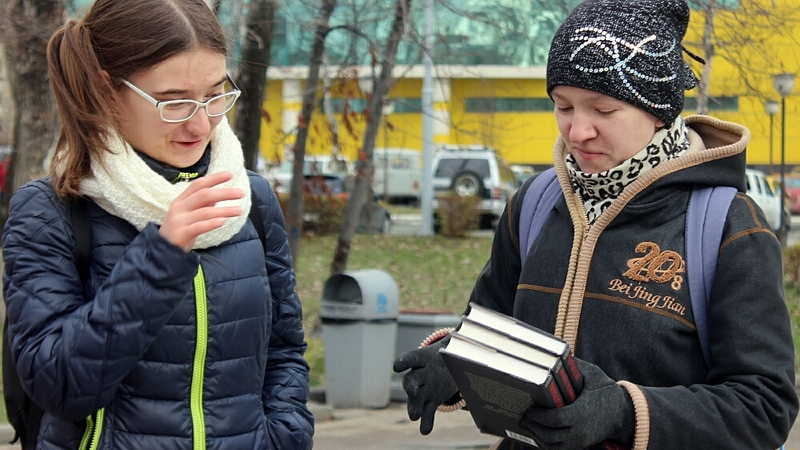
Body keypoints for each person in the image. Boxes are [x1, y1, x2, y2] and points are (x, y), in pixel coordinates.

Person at [393, 0, 799, 449]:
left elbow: (764, 407)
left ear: (659, 111)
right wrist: (456, 361)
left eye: (602, 110)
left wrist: (625, 413)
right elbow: (491, 334)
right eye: (562, 106)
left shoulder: (728, 227)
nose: (576, 130)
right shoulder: (533, 204)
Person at [2, 0, 314, 448]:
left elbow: (283, 349)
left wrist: (284, 435)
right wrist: (161, 256)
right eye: (175, 103)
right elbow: (60, 386)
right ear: (105, 89)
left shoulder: (247, 196)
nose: (201, 123)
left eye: (213, 95)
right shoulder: (51, 210)